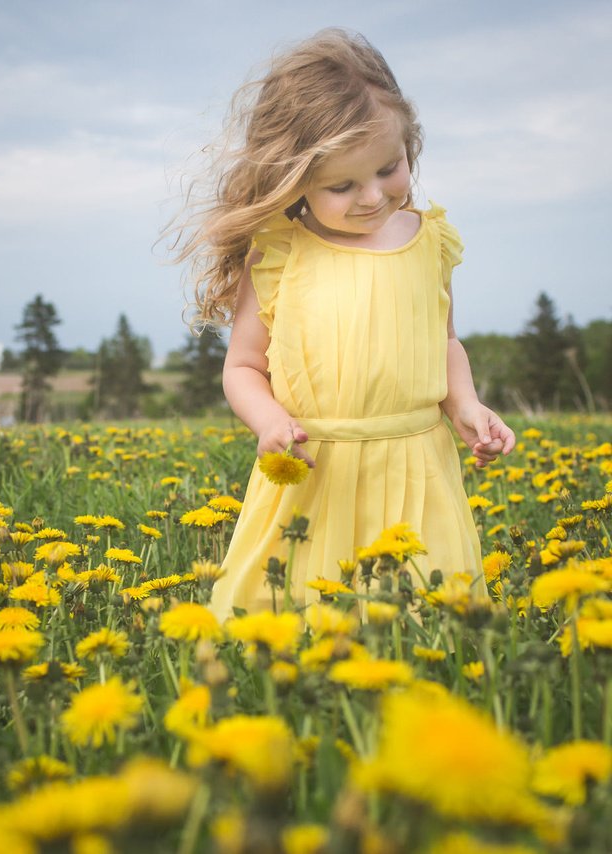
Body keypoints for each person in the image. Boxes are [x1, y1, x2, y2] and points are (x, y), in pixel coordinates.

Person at [171, 28, 516, 619]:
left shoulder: (429, 242)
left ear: (410, 145)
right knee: (300, 618)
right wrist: (269, 421)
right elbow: (244, 366)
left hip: (416, 467)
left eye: (389, 168)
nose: (373, 196)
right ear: (294, 177)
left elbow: (446, 341)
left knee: (425, 619)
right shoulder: (280, 252)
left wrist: (465, 404)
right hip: (317, 471)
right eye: (342, 185)